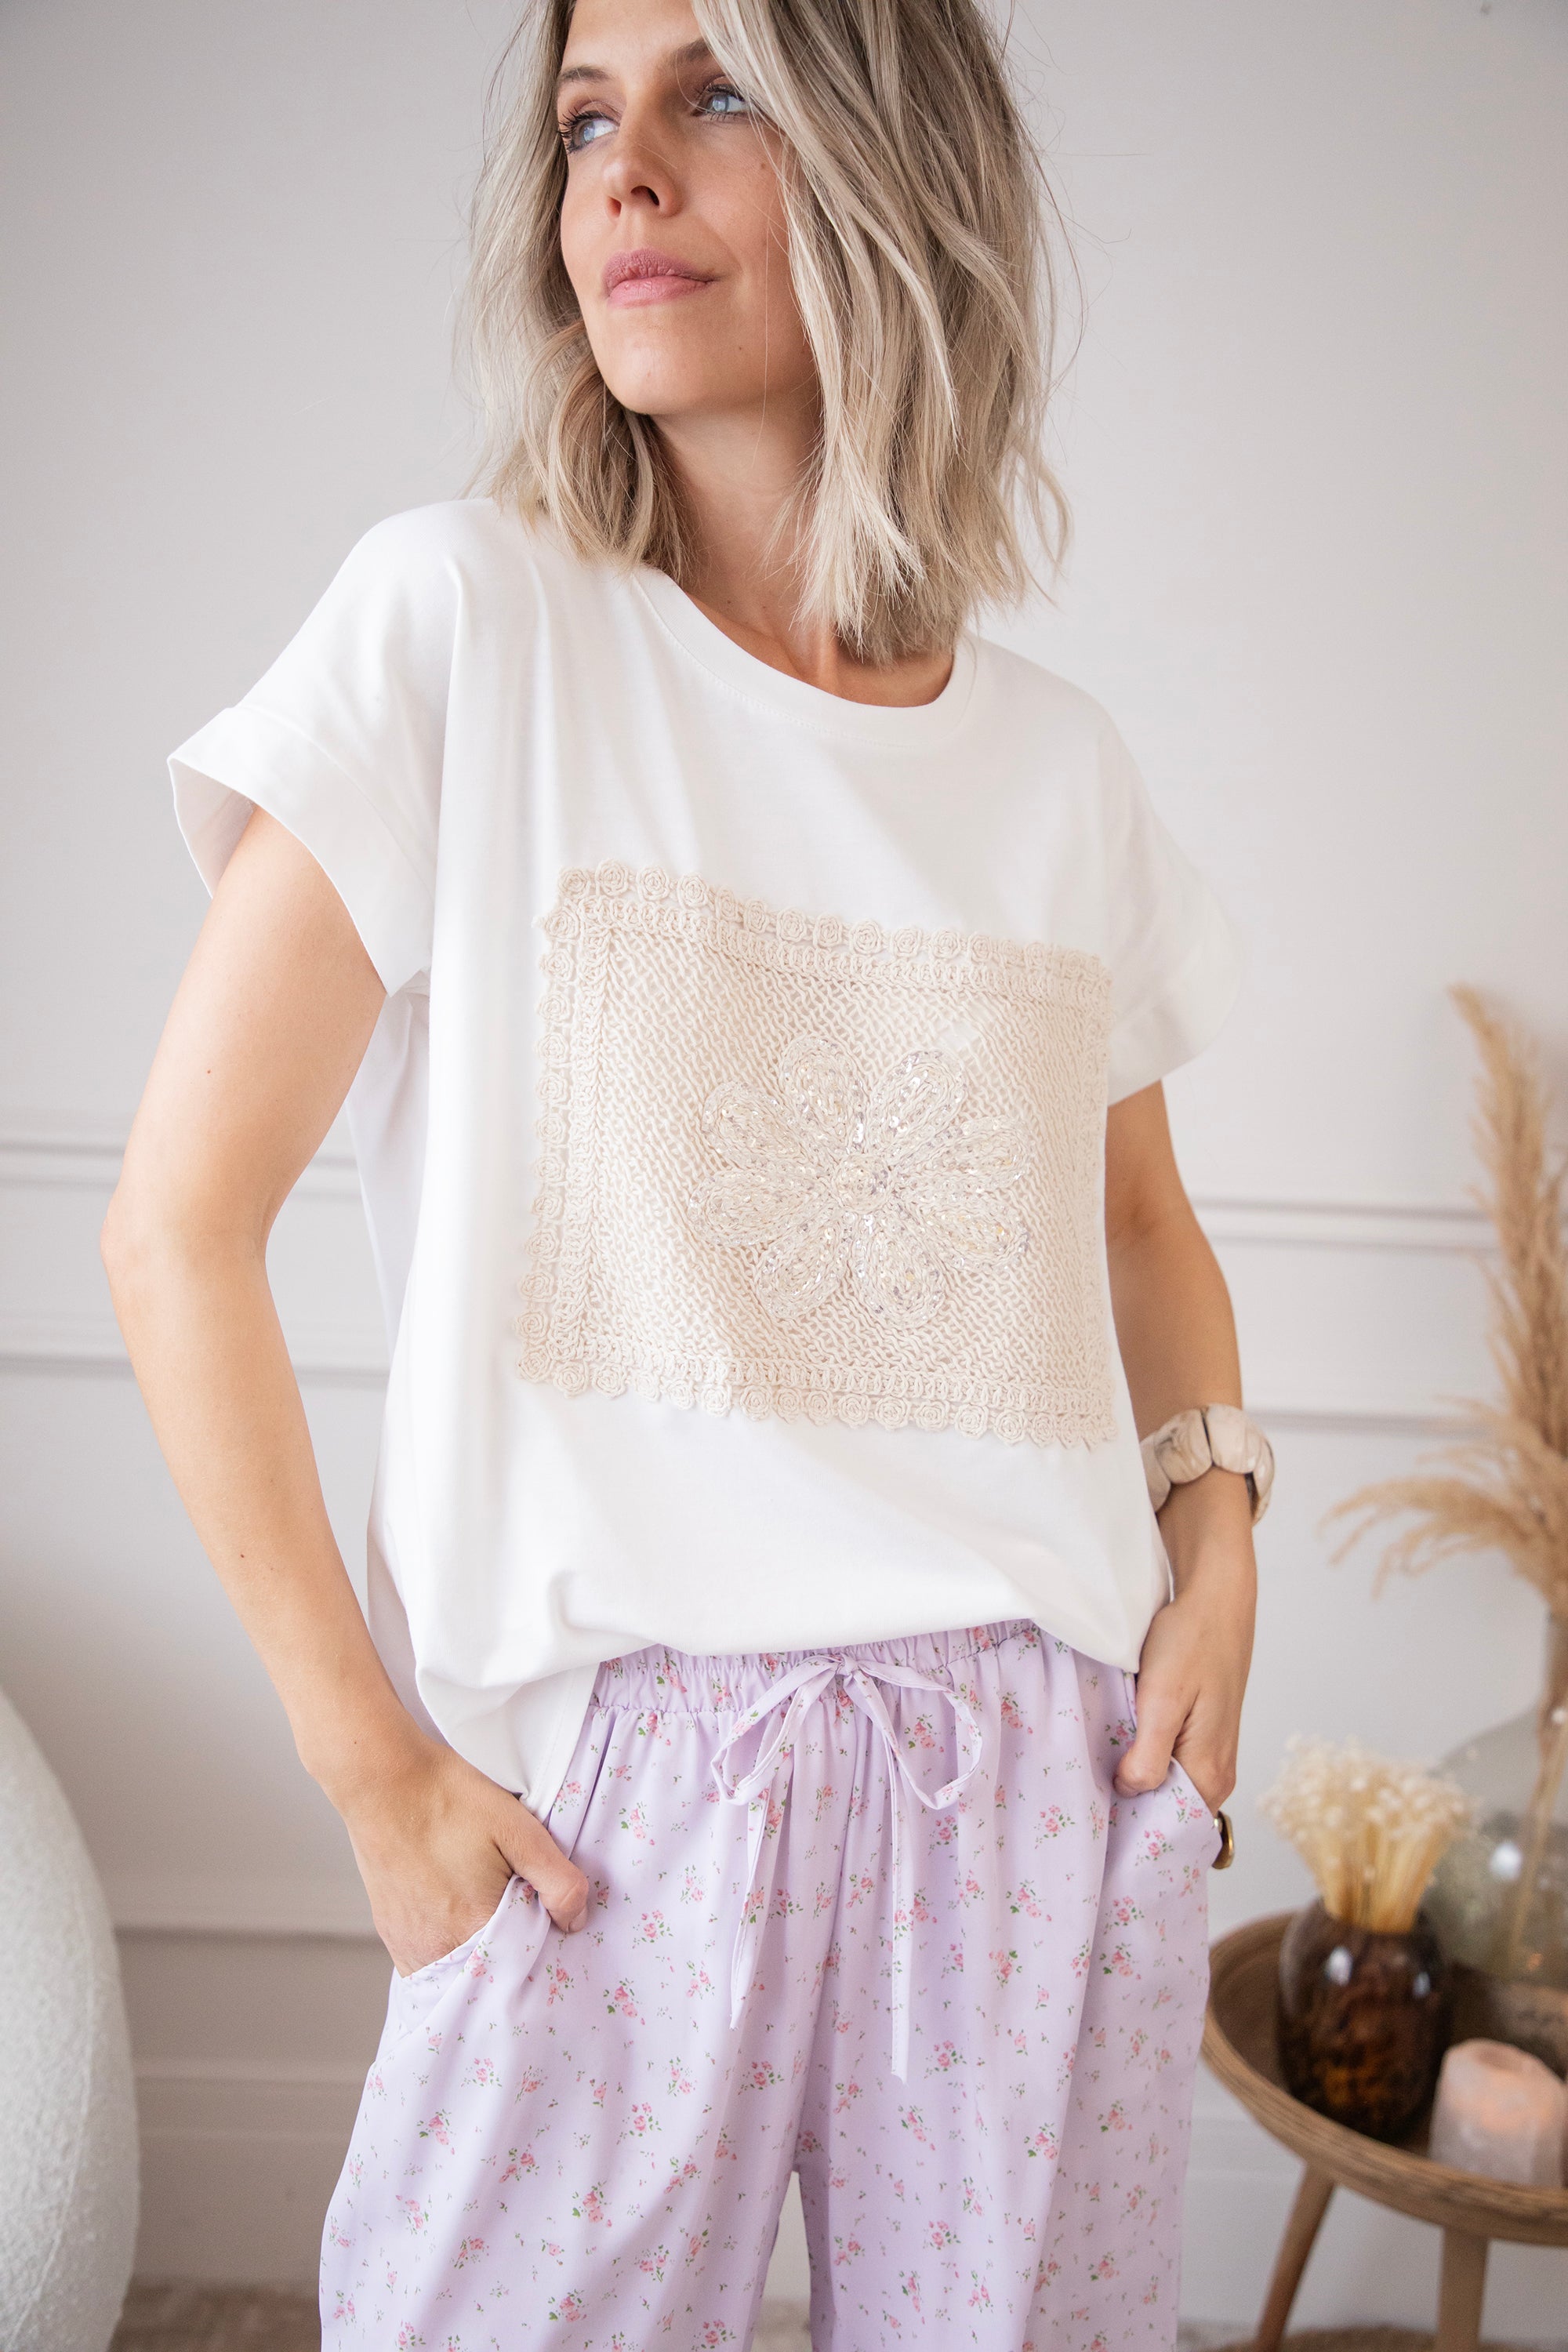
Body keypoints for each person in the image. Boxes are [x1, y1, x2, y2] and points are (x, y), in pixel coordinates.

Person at [103, 1, 1266, 2343]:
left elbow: (1139, 1225)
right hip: (608, 1807)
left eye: (713, 92)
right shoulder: (460, 623)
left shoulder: (1057, 771)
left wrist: (1221, 1540)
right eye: (581, 118)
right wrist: (372, 1774)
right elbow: (173, 1232)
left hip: (1032, 1768)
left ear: (890, 165)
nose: (623, 170)